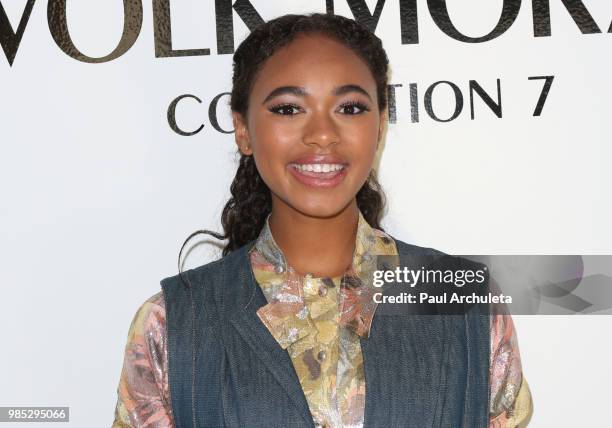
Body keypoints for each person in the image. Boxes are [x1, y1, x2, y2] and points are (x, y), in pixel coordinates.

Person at [112, 13, 532, 428]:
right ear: (242, 128)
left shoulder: (463, 304)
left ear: (381, 125)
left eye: (349, 107)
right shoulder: (171, 324)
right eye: (289, 108)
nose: (323, 134)